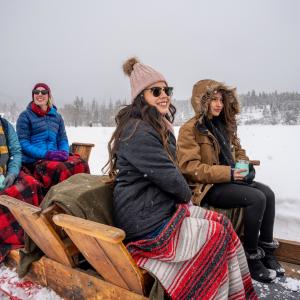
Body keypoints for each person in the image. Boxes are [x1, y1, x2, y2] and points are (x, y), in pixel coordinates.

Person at [105, 58, 257, 299]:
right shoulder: (138, 131)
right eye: (156, 91)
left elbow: (173, 175)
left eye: (167, 90)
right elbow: (175, 178)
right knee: (216, 235)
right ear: (139, 97)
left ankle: (236, 293)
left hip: (160, 207)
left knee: (224, 224)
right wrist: (188, 193)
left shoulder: (157, 126)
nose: (164, 95)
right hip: (144, 220)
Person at [177, 79, 285, 283]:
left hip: (230, 179)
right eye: (213, 100)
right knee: (256, 198)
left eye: (221, 100)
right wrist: (229, 172)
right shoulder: (190, 129)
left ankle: (267, 250)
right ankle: (251, 257)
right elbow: (190, 168)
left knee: (268, 193)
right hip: (208, 187)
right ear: (202, 101)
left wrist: (245, 166)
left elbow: (238, 151)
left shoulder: (223, 125)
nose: (219, 104)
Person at [16, 83, 90, 195]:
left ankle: (81, 197)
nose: (39, 94)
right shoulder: (25, 116)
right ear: (33, 96)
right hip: (35, 159)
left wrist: (64, 152)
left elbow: (62, 139)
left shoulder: (57, 117)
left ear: (49, 96)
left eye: (43, 92)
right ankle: (58, 200)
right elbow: (23, 143)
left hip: (54, 157)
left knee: (81, 163)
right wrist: (46, 154)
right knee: (61, 169)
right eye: (36, 92)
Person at [0, 116, 44, 262]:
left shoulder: (4, 125)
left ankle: (33, 235)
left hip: (6, 173)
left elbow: (16, 152)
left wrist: (12, 173)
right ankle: (10, 238)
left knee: (31, 185)